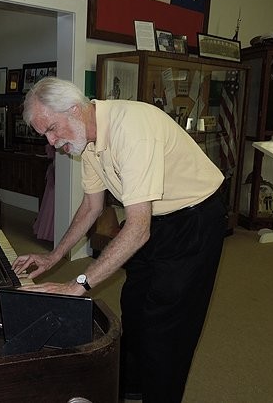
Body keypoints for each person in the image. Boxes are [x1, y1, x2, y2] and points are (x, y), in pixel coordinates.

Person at [11, 77, 228, 403]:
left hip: (194, 217)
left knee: (167, 327)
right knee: (135, 309)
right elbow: (91, 207)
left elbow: (137, 230)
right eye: (45, 134)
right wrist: (54, 256)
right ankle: (132, 390)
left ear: (75, 110)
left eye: (53, 129)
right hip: (154, 215)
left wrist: (78, 285)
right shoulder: (86, 140)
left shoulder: (132, 130)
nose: (53, 142)